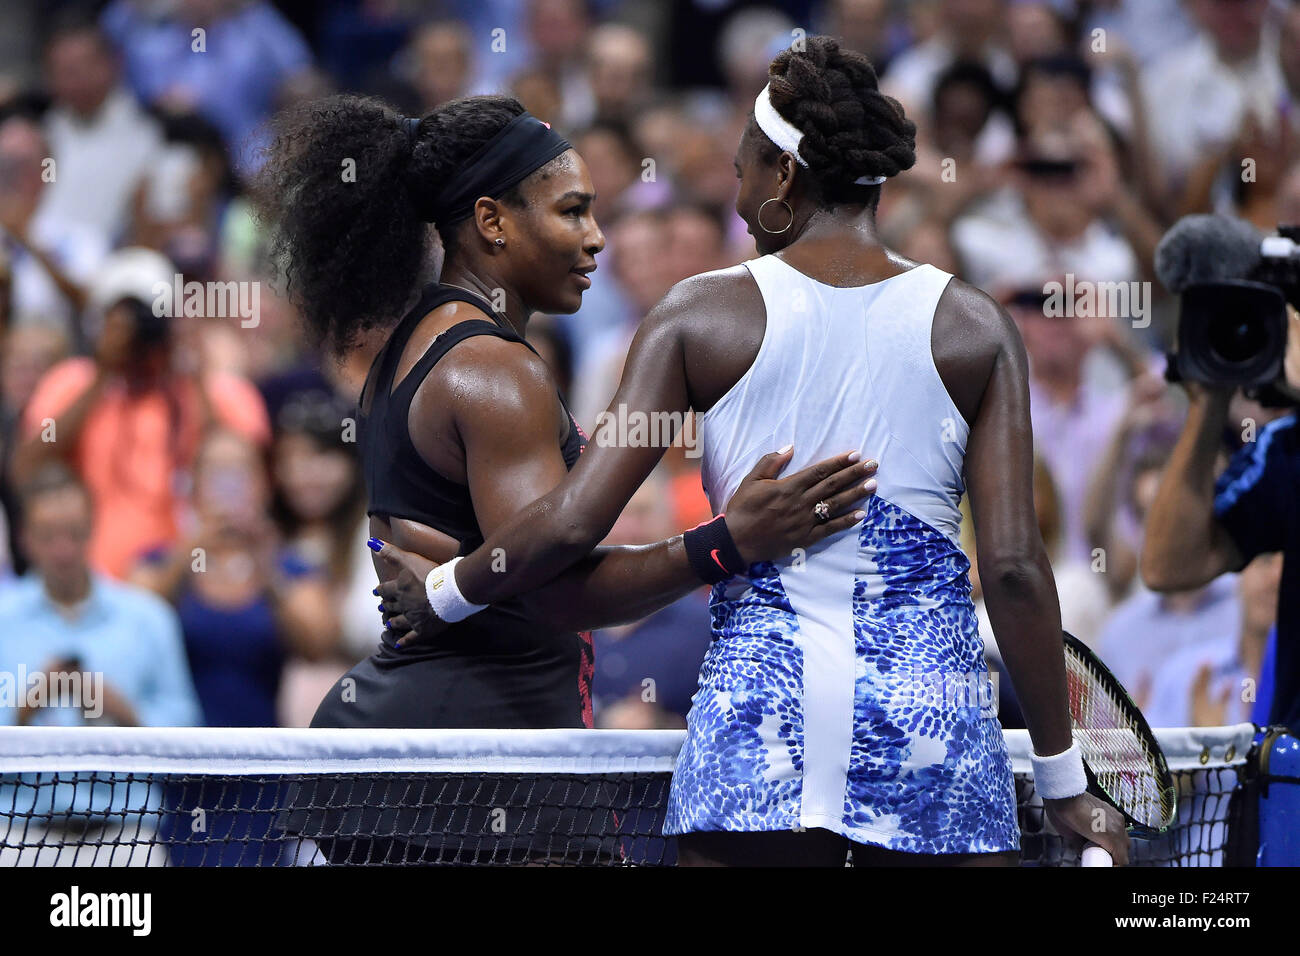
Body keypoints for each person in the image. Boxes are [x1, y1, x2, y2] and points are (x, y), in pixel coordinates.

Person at [376, 37, 1128, 867]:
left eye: (742, 169)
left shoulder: (697, 316)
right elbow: (1017, 569)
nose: (736, 196)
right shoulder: (979, 326)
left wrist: (444, 592)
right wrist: (1063, 780)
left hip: (759, 734)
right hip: (932, 732)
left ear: (781, 178)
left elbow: (570, 523)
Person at [254, 91, 875, 863]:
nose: (596, 240)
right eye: (573, 212)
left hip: (426, 763)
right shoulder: (494, 369)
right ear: (493, 222)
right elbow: (552, 587)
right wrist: (729, 543)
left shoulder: (419, 344)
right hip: (475, 772)